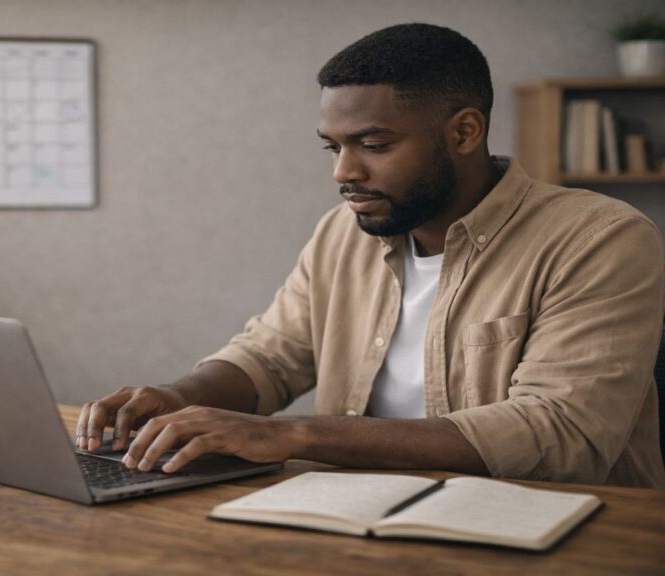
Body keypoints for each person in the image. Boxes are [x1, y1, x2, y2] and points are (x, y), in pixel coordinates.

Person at [75, 23, 665, 488]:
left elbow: (559, 433)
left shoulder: (600, 238)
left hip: (553, 530)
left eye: (373, 145)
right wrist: (182, 396)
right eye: (333, 147)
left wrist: (293, 435)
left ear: (464, 132)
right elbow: (270, 358)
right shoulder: (343, 231)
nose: (343, 172)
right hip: (354, 514)